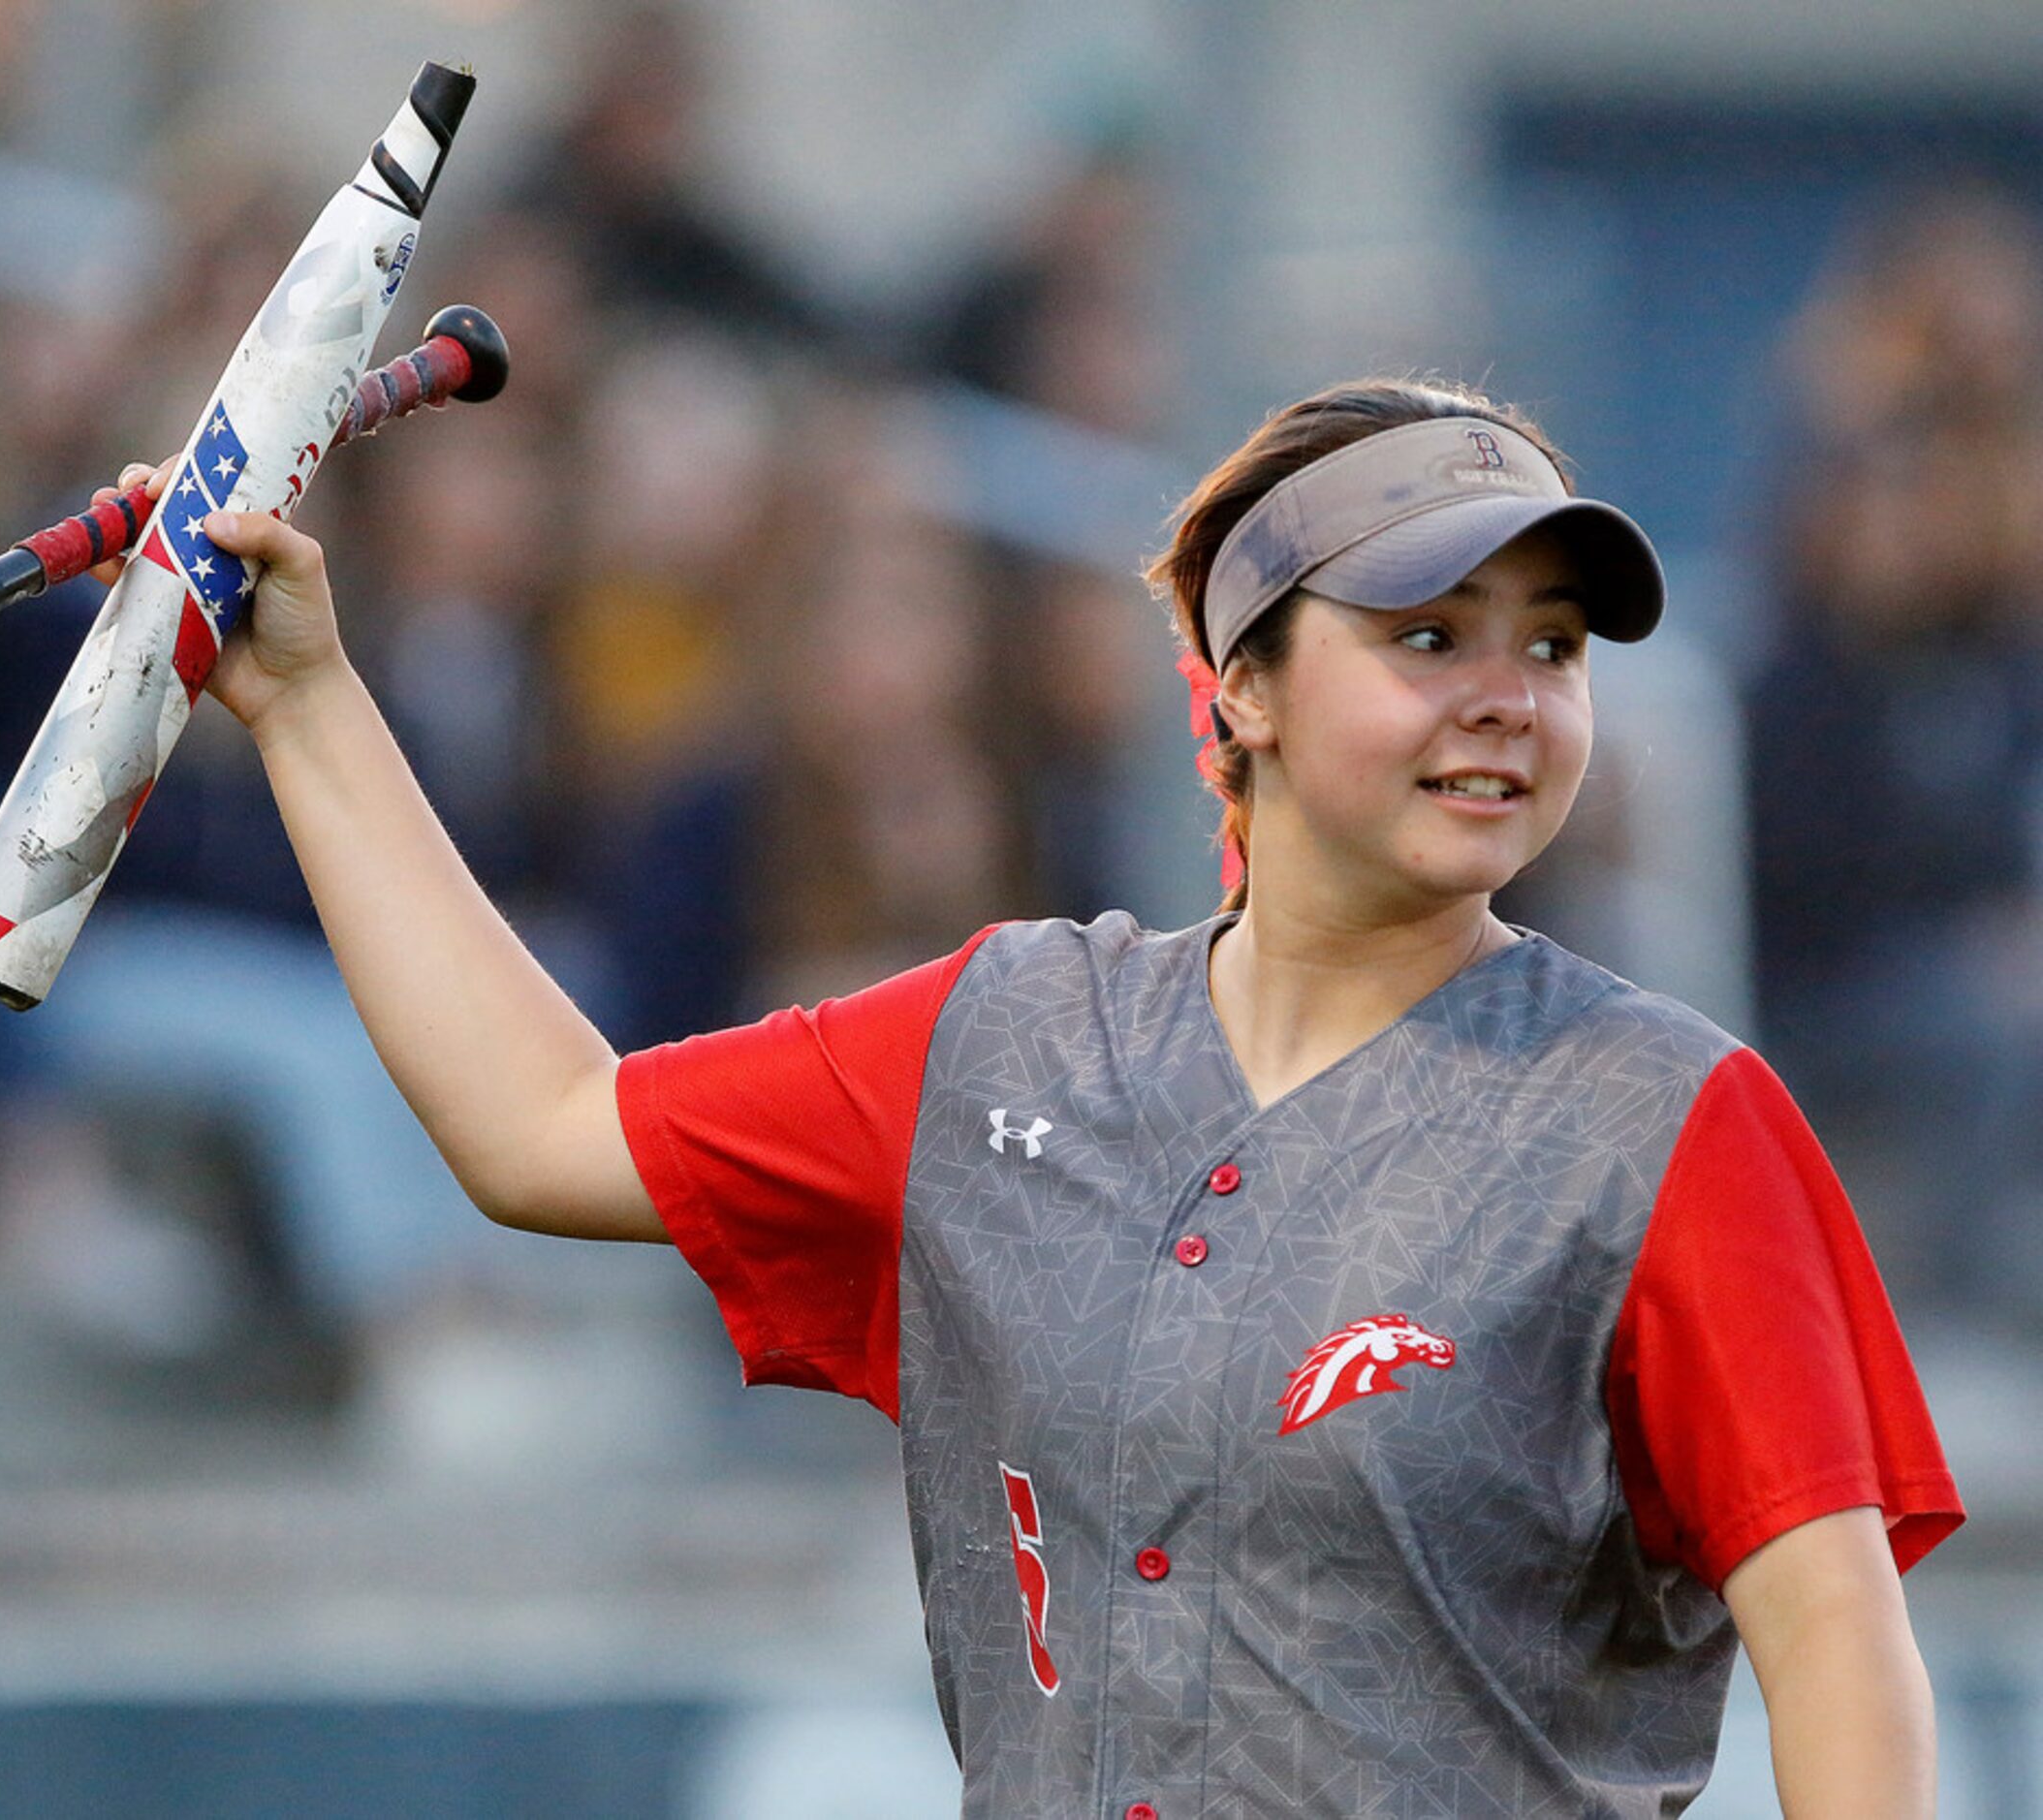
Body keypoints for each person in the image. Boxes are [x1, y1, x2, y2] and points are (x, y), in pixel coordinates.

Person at [99, 375, 1960, 1816]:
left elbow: (1841, 1654)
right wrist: (312, 702)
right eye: (1428, 634)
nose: (1511, 697)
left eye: (1550, 646)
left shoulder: (1666, 1117)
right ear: (1241, 688)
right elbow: (535, 1127)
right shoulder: (1006, 1039)